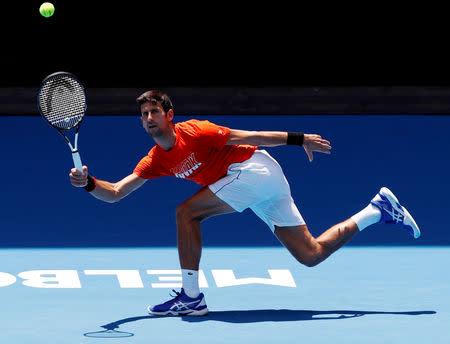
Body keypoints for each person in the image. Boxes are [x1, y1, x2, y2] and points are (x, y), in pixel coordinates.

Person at [69, 90, 421, 316]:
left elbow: (250, 135)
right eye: (143, 114)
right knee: (310, 254)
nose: (148, 119)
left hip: (253, 170)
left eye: (154, 112)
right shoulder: (155, 159)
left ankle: (191, 297)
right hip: (253, 186)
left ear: (169, 114)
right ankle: (377, 210)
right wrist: (89, 184)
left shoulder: (194, 131)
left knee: (186, 213)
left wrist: (300, 140)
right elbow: (115, 193)